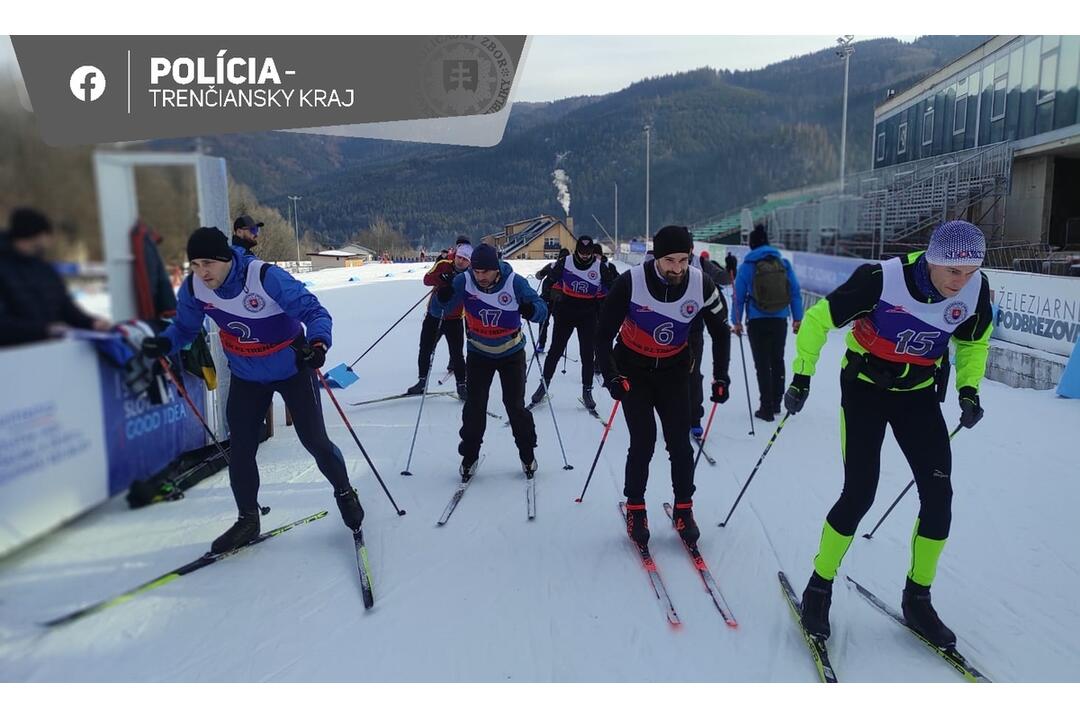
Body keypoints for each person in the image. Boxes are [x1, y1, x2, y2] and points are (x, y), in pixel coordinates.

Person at [785, 220, 993, 648]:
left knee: (939, 497)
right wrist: (801, 377)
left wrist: (968, 390)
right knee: (860, 492)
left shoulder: (976, 289)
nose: (963, 281)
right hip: (865, 390)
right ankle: (819, 586)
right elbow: (817, 320)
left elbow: (974, 342)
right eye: (954, 271)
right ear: (931, 260)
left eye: (971, 271)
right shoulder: (881, 279)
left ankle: (918, 598)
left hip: (917, 395)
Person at [140, 227, 364, 552]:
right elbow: (185, 329)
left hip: (292, 369)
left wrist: (317, 344)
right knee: (241, 450)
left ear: (226, 259)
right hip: (246, 375)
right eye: (195, 264)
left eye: (208, 263)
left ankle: (344, 492)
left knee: (314, 441)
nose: (202, 272)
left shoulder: (263, 277)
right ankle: (248, 519)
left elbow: (314, 312)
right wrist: (165, 342)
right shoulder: (195, 288)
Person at [596, 226, 731, 546]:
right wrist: (612, 375)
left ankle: (684, 508)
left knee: (680, 445)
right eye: (670, 260)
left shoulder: (701, 284)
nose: (678, 268)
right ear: (656, 257)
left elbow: (721, 331)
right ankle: (636, 507)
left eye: (684, 260)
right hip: (634, 370)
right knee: (643, 440)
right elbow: (601, 334)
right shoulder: (631, 282)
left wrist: (721, 376)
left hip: (674, 372)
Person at [438, 243, 547, 478]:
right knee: (475, 407)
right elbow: (440, 309)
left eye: (485, 271)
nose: (481, 277)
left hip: (511, 354)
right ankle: (469, 456)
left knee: (514, 406)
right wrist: (443, 293)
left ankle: (527, 455)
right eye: (476, 271)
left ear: (496, 268)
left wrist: (531, 310)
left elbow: (542, 309)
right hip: (479, 354)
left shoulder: (514, 282)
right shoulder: (464, 281)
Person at [0, 208, 111, 347]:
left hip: (51, 350)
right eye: (44, 237)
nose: (47, 243)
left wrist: (91, 323)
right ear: (33, 236)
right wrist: (43, 330)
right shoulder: (4, 269)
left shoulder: (43, 268)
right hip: (13, 356)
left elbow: (65, 307)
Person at [529, 236, 611, 411]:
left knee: (587, 354)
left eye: (588, 254)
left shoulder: (599, 266)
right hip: (565, 312)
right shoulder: (565, 262)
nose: (584, 256)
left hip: (588, 314)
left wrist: (605, 302)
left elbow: (611, 286)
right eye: (581, 253)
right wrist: (547, 298)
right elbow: (550, 280)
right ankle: (543, 386)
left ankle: (587, 391)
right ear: (576, 250)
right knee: (555, 351)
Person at [731, 224, 804, 421]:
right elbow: (795, 292)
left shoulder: (748, 266)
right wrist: (798, 319)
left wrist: (736, 322)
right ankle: (777, 402)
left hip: (757, 321)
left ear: (751, 245)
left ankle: (766, 407)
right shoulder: (783, 263)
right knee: (777, 360)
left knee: (762, 364)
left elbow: (738, 297)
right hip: (780, 319)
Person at [406, 241, 472, 399]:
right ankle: (422, 382)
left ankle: (461, 386)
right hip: (434, 315)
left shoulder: (470, 275)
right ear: (455, 256)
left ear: (469, 262)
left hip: (455, 318)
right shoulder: (443, 264)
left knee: (456, 354)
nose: (461, 261)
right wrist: (440, 278)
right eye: (459, 257)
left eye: (465, 259)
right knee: (425, 349)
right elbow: (426, 280)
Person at [688, 247, 731, 437]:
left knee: (693, 374)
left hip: (694, 330)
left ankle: (694, 417)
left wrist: (721, 376)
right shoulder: (653, 265)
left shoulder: (703, 266)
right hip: (666, 332)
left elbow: (724, 279)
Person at [532, 247, 570, 353]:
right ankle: (545, 345)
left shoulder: (560, 267)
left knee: (554, 324)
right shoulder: (553, 266)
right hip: (550, 298)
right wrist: (542, 272)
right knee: (549, 323)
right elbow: (538, 276)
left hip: (557, 299)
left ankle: (551, 346)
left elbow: (538, 276)